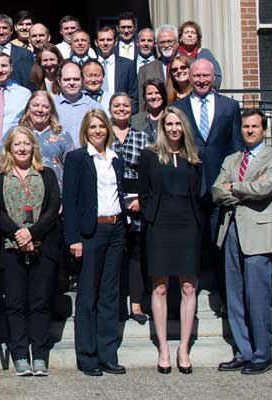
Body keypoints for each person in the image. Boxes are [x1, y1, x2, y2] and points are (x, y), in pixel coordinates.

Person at [173, 59, 242, 310]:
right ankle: (183, 297)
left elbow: (236, 147)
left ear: (214, 78)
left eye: (206, 76)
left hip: (219, 189)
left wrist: (233, 185)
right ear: (189, 77)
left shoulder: (230, 107)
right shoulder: (178, 108)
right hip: (188, 189)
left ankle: (224, 300)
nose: (201, 80)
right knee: (187, 244)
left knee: (221, 246)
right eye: (197, 75)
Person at [138, 106, 202, 375]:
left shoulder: (194, 158)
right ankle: (163, 347)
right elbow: (143, 193)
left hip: (188, 224)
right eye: (168, 124)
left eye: (178, 124)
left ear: (183, 127)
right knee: (160, 287)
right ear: (162, 128)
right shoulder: (150, 156)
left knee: (188, 287)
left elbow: (199, 191)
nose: (174, 128)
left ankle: (183, 348)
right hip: (160, 224)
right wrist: (151, 214)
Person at [63, 109, 127, 377]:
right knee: (88, 295)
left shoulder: (116, 159)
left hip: (116, 229)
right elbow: (71, 200)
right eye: (92, 127)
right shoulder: (77, 158)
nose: (98, 131)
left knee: (110, 295)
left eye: (101, 126)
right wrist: (74, 238)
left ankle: (107, 354)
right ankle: (87, 355)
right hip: (91, 232)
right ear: (86, 131)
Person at [0, 126, 60, 376]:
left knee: (40, 303)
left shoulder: (47, 174)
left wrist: (32, 233)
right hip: (11, 248)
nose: (21, 148)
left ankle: (39, 355)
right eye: (17, 144)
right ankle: (20, 354)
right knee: (16, 303)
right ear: (9, 148)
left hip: (42, 247)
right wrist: (18, 234)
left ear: (34, 147)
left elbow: (53, 209)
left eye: (26, 143)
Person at [213, 110, 272, 375]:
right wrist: (246, 187)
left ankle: (263, 354)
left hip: (259, 235)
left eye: (254, 126)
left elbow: (266, 188)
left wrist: (233, 187)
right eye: (246, 126)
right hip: (231, 231)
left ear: (264, 129)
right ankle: (243, 351)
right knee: (235, 296)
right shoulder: (232, 158)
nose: (249, 130)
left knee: (258, 296)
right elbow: (217, 191)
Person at [109, 92, 153, 324]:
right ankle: (115, 304)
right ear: (110, 109)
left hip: (135, 201)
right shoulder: (103, 135)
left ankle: (136, 304)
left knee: (136, 253)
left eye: (126, 105)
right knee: (114, 254)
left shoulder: (142, 137)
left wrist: (141, 200)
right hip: (110, 200)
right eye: (117, 105)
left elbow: (148, 172)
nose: (122, 109)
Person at [18, 91, 73, 191]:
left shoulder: (63, 136)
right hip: (22, 193)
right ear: (28, 109)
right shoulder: (17, 133)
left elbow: (72, 170)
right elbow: (1, 163)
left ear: (51, 111)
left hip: (55, 193)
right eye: (35, 105)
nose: (40, 110)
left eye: (45, 107)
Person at [54, 61, 103, 148]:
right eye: (67, 79)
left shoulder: (94, 107)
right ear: (59, 81)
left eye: (76, 79)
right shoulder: (51, 107)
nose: (72, 83)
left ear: (83, 80)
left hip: (86, 159)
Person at [95, 26, 138, 113]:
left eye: (109, 40)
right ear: (96, 42)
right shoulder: (89, 66)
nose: (105, 43)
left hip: (121, 116)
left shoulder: (127, 65)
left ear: (115, 42)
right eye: (102, 40)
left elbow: (133, 96)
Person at [138, 24, 179, 111]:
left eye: (170, 41)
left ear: (177, 42)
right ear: (156, 44)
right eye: (162, 42)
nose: (166, 45)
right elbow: (142, 102)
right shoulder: (145, 70)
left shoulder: (189, 65)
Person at [0, 13, 34, 87]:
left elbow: (30, 81)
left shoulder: (25, 53)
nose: (1, 32)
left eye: (5, 28)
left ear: (11, 30)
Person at [177, 21, 222, 89]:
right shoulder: (175, 55)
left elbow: (217, 76)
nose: (190, 35)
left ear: (197, 38)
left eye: (193, 33)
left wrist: (207, 90)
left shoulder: (205, 54)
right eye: (186, 32)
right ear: (180, 37)